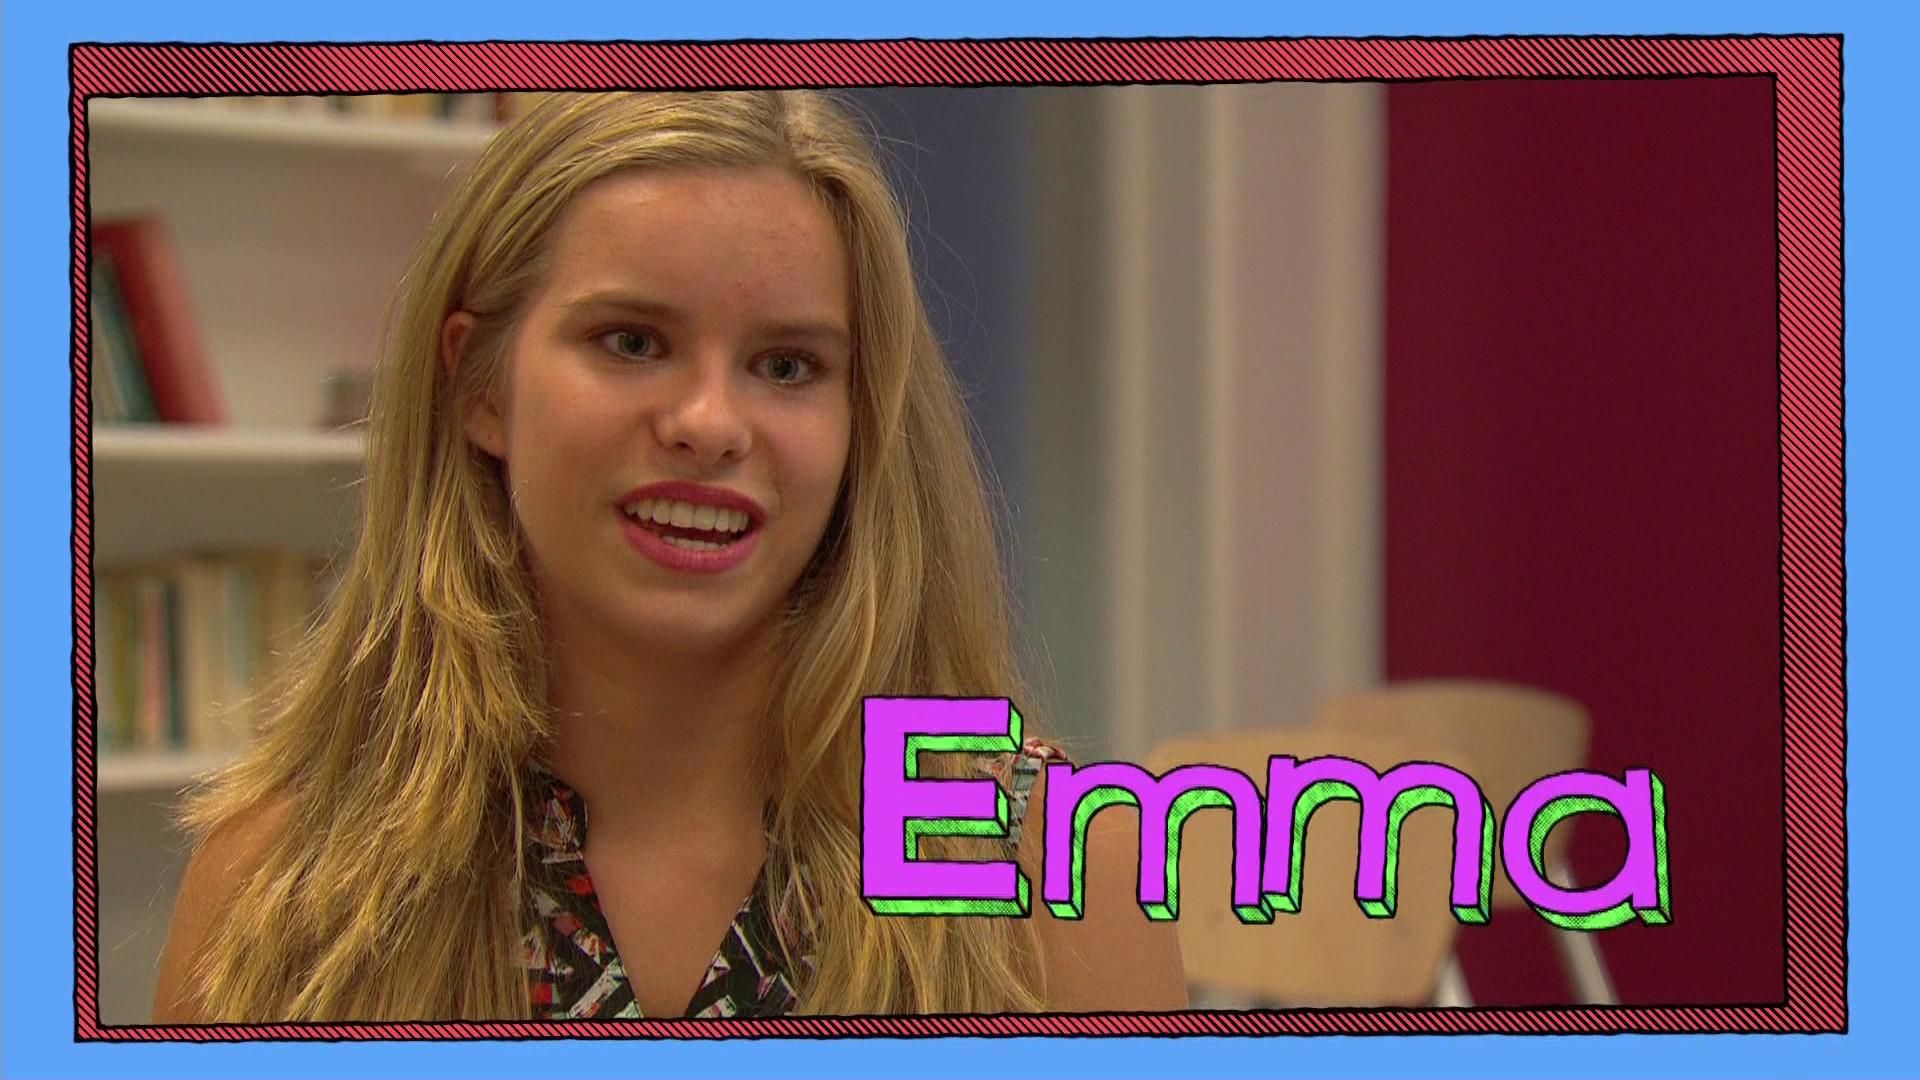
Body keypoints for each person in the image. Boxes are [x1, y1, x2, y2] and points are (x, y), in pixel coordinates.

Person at [152, 90, 1188, 1022]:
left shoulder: (1056, 863)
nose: (709, 424)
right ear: (479, 385)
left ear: (861, 420)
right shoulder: (279, 882)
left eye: (787, 365)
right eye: (633, 342)